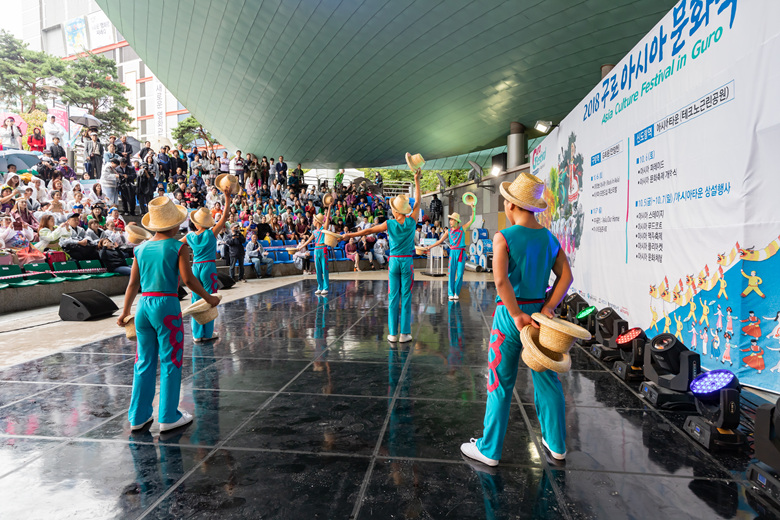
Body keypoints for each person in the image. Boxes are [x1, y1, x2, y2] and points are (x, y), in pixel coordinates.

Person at [460, 173, 572, 468]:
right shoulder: (549, 238)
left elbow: (500, 281)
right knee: (547, 378)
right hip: (540, 318)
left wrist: (515, 314)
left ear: (511, 205)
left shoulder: (504, 237)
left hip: (509, 315)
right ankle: (557, 445)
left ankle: (490, 449)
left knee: (500, 380)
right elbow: (566, 277)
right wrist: (548, 307)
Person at [116, 196, 220, 432]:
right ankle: (168, 416)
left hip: (143, 306)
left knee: (143, 362)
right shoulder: (178, 247)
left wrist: (125, 312)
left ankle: (138, 417)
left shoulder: (140, 249)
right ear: (174, 225)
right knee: (171, 360)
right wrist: (209, 298)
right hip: (166, 307)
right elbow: (188, 280)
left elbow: (133, 284)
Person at [344, 169, 422, 342]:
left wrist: (350, 235)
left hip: (393, 262)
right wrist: (416, 180)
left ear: (395, 211)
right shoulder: (412, 221)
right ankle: (405, 334)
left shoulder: (389, 223)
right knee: (406, 296)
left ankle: (393, 334)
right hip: (407, 262)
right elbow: (418, 201)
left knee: (393, 296)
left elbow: (369, 230)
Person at [183, 192, 232, 342]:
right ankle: (208, 333)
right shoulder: (211, 233)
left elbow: (175, 245)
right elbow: (225, 216)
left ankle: (197, 334)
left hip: (195, 268)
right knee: (210, 299)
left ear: (196, 223)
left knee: (196, 299)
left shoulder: (190, 236)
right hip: (209, 268)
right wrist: (227, 197)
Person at [425, 207, 476, 300]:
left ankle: (456, 292)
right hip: (452, 253)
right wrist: (430, 247)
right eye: (450, 220)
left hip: (461, 253)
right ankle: (450, 293)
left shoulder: (462, 228)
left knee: (460, 274)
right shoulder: (448, 231)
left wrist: (473, 209)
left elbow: (472, 220)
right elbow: (439, 241)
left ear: (456, 221)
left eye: (452, 220)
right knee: (451, 273)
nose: (450, 221)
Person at [297, 202, 334, 295]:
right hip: (316, 250)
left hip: (323, 249)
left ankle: (325, 287)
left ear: (317, 221)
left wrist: (329, 207)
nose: (313, 221)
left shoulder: (323, 228)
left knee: (324, 269)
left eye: (314, 220)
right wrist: (301, 246)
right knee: (318, 269)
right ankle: (320, 287)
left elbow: (327, 219)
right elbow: (308, 241)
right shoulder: (314, 232)